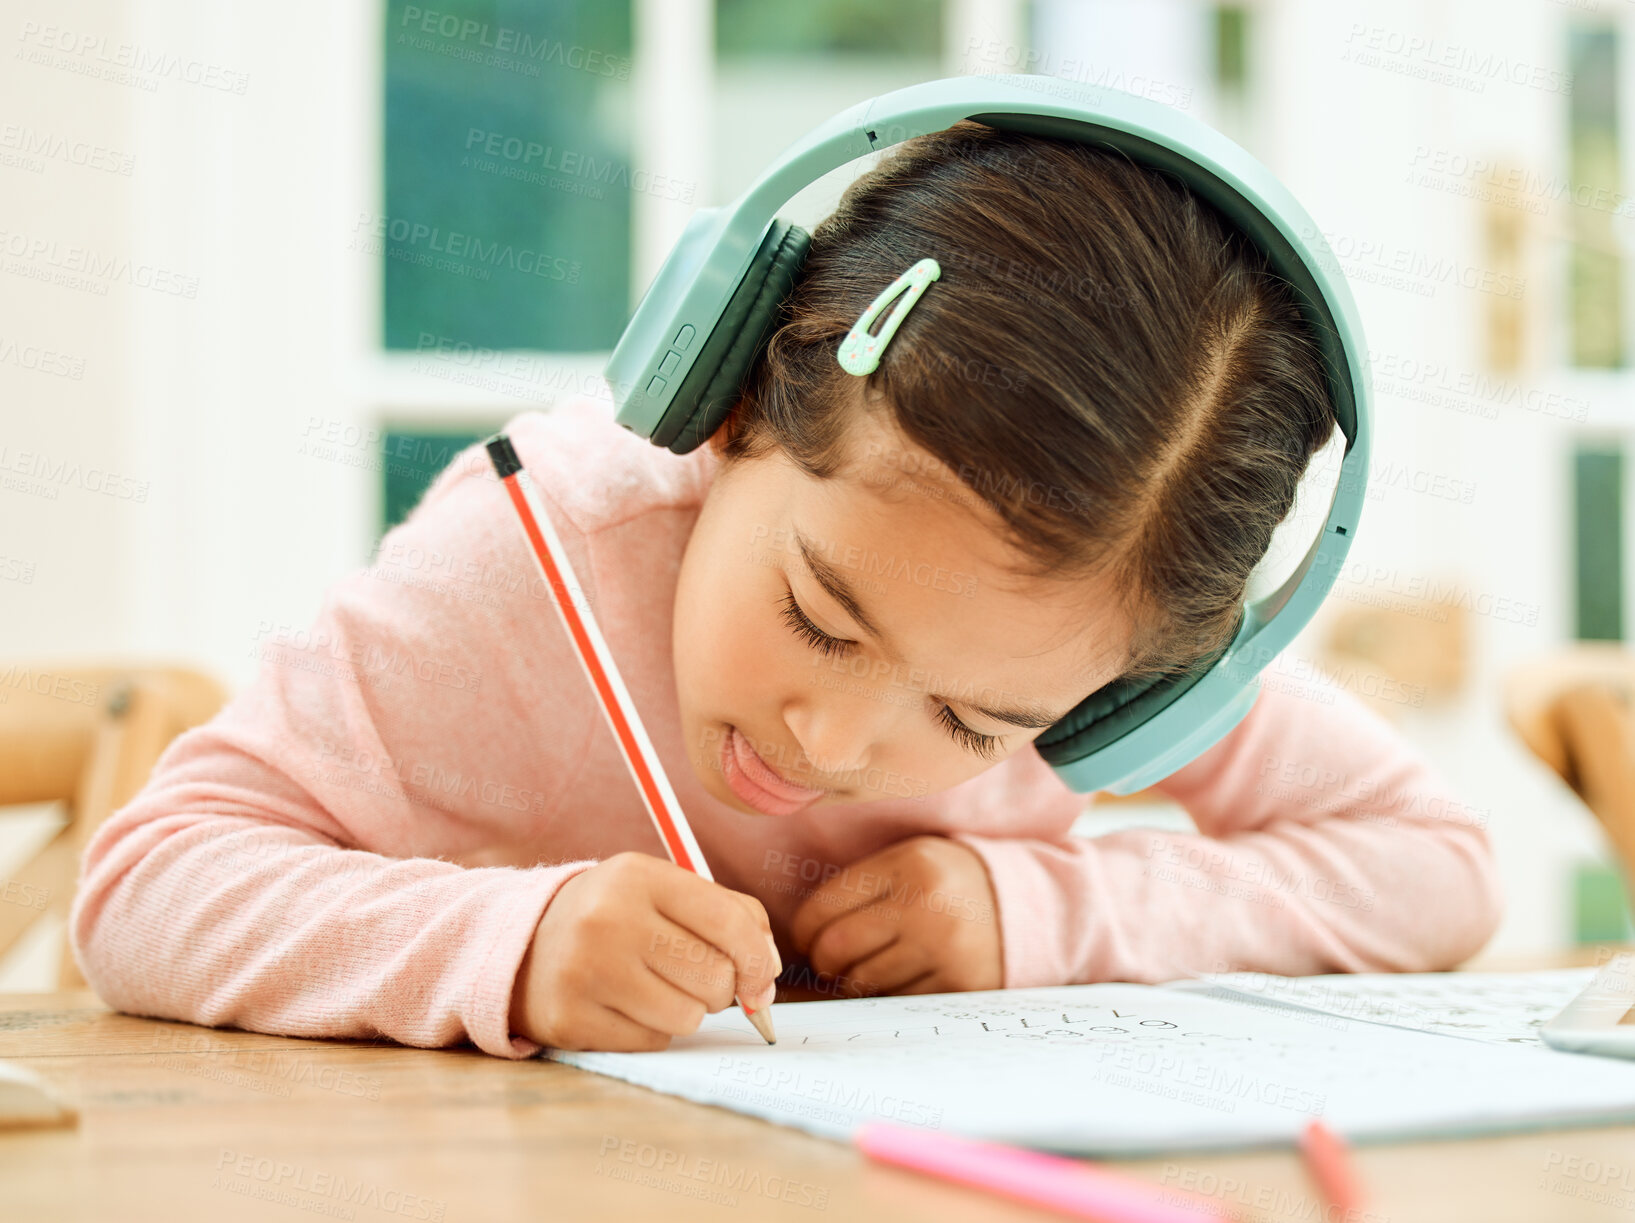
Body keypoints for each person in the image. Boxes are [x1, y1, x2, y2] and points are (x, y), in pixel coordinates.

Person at [69, 120, 1502, 1058]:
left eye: (977, 722)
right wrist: (504, 945)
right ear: (738, 399)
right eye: (822, 614)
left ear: (1140, 692)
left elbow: (1441, 870)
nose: (835, 744)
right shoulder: (532, 557)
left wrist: (1043, 913)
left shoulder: (1101, 635)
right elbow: (144, 884)